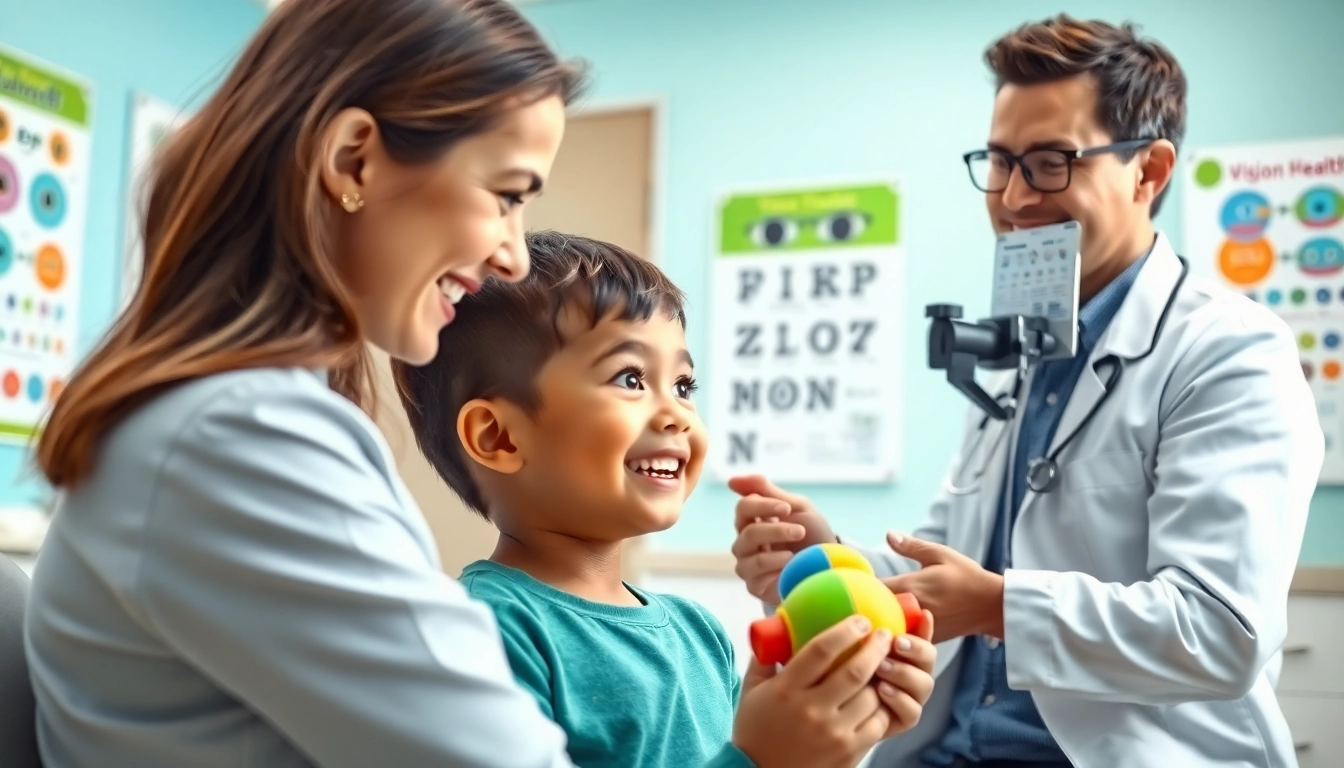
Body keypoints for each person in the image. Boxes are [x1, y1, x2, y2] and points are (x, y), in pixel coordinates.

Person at [22, 2, 929, 767]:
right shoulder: (240, 438)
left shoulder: (232, 420)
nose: (512, 250)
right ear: (354, 163)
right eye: (505, 193)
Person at [729, 14, 1323, 768]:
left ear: (1148, 171)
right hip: (946, 751)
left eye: (1048, 163)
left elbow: (1220, 634)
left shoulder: (1230, 353)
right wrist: (831, 559)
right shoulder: (1028, 355)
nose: (1012, 198)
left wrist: (999, 607)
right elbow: (950, 567)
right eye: (1000, 162)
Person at [392, 230, 938, 768]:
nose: (676, 413)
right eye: (629, 378)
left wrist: (833, 738)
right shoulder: (484, 630)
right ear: (500, 437)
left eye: (682, 385)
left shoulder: (699, 632)